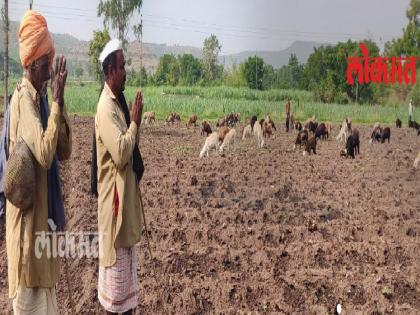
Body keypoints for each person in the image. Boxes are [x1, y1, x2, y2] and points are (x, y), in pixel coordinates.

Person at [5, 10, 72, 314]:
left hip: (44, 229)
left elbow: (64, 150)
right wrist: (55, 102)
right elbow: (45, 157)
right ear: (31, 63)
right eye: (46, 63)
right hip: (29, 232)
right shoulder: (23, 101)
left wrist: (59, 101)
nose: (49, 70)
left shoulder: (42, 98)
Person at [95, 38, 145, 315]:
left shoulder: (118, 104)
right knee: (116, 303)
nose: (126, 71)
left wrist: (134, 122)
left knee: (124, 299)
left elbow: (130, 145)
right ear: (111, 71)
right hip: (115, 215)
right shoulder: (106, 108)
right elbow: (123, 152)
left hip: (123, 209)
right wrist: (135, 121)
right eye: (123, 66)